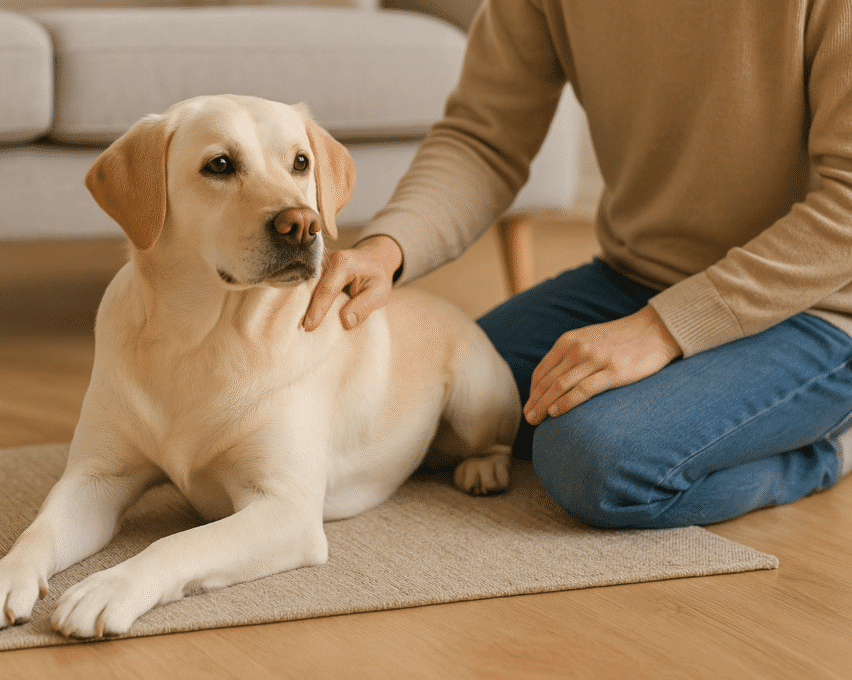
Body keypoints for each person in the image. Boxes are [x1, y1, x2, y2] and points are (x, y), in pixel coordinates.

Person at [302, 0, 852, 529]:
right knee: (437, 402)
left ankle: (829, 447)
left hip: (812, 307)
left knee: (595, 463)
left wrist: (661, 331)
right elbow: (483, 140)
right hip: (634, 279)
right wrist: (387, 248)